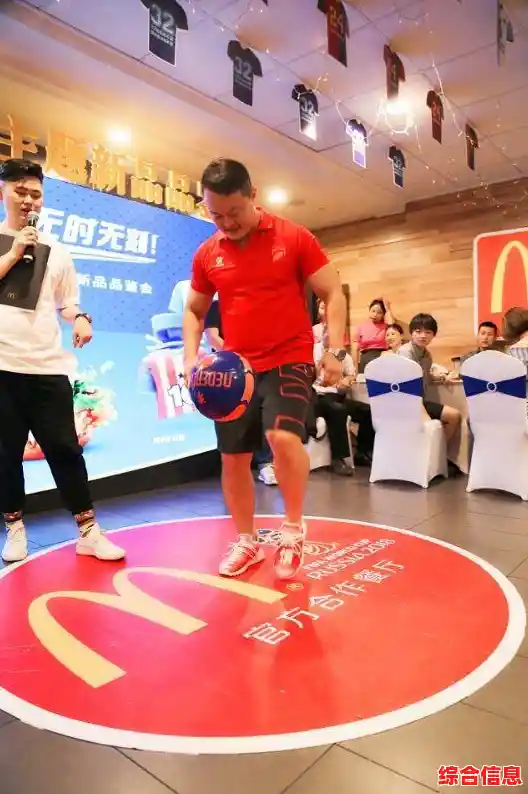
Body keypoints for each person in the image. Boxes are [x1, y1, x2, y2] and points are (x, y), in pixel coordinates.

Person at [183, 158, 346, 579]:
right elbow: (195, 310)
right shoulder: (208, 253)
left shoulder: (294, 237)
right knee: (233, 458)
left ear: (252, 196)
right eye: (216, 215)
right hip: (236, 369)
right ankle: (247, 541)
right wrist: (190, 357)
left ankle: (292, 529)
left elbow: (333, 292)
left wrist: (335, 349)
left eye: (234, 212)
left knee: (281, 437)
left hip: (289, 356)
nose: (226, 223)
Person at [0, 158, 125, 563]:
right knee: (5, 456)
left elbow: (67, 303)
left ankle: (88, 532)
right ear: (3, 192)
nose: (28, 200)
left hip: (48, 368)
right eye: (20, 191)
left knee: (66, 452)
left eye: (35, 194)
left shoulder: (58, 251)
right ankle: (14, 528)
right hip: (2, 368)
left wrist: (81, 318)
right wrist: (14, 252)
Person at [204, 298, 278, 486]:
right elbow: (212, 337)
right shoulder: (216, 306)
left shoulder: (253, 304)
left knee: (261, 415)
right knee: (231, 419)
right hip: (227, 371)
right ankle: (235, 469)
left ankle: (266, 463)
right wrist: (237, 358)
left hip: (257, 367)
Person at [313, 341, 374, 473]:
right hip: (318, 395)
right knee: (338, 410)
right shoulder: (315, 351)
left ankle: (362, 452)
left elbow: (352, 375)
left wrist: (347, 380)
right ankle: (338, 458)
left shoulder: (344, 356)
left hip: (337, 395)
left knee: (367, 411)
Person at [398, 313, 461, 441]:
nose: (423, 335)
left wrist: (442, 377)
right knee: (446, 419)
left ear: (433, 335)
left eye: (428, 332)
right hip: (407, 401)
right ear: (411, 333)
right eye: (418, 331)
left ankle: (437, 450)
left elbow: (425, 375)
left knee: (454, 417)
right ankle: (433, 449)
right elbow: (407, 383)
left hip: (420, 401)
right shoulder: (405, 352)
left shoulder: (427, 355)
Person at [352, 298, 397, 373]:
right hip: (365, 357)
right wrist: (355, 368)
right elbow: (355, 348)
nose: (375, 315)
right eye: (373, 311)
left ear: (383, 315)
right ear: (369, 311)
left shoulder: (386, 326)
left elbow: (393, 326)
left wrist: (387, 309)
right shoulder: (361, 327)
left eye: (379, 313)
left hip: (382, 356)